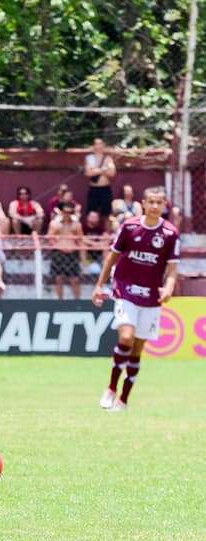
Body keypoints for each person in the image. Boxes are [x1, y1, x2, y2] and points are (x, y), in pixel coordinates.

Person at [92, 187, 180, 412]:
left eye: (158, 202)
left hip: (151, 295)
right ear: (143, 203)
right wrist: (100, 285)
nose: (154, 206)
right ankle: (111, 388)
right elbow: (112, 257)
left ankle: (123, 400)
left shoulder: (170, 234)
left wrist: (168, 288)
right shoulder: (129, 227)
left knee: (137, 348)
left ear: (164, 205)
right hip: (126, 289)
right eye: (150, 201)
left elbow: (171, 269)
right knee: (127, 337)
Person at [46, 200, 86, 299]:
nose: (67, 215)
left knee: (75, 279)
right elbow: (49, 238)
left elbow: (81, 240)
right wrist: (56, 241)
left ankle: (78, 301)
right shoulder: (54, 224)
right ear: (61, 212)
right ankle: (60, 300)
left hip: (72, 253)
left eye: (70, 212)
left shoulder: (76, 224)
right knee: (59, 279)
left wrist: (83, 258)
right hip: (59, 253)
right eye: (65, 212)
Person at [84, 137, 116, 229]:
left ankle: (106, 233)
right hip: (94, 189)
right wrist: (104, 169)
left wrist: (96, 170)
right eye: (96, 144)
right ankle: (90, 232)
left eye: (100, 144)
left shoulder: (108, 158)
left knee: (107, 213)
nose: (98, 146)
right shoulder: (89, 158)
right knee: (91, 213)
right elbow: (89, 173)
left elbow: (112, 172)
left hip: (105, 189)